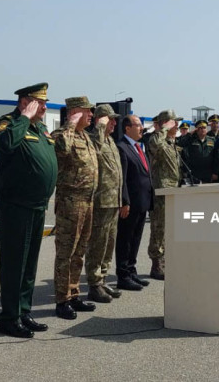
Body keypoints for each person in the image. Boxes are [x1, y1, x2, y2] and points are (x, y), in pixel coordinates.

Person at [0, 83, 58, 338]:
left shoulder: (40, 128)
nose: (44, 106)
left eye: (44, 102)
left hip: (37, 206)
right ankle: (9, 317)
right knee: (14, 264)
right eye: (38, 102)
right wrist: (23, 118)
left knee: (29, 265)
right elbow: (6, 146)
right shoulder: (8, 123)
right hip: (15, 207)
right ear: (24, 102)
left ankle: (23, 311)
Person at [52, 96, 99, 320]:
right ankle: (62, 300)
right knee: (66, 253)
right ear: (74, 112)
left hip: (88, 201)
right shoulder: (62, 134)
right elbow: (61, 150)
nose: (91, 114)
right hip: (70, 202)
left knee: (79, 252)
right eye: (86, 111)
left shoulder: (85, 136)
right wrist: (71, 123)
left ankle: (73, 293)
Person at [85, 104, 124, 303]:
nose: (114, 123)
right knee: (97, 245)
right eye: (110, 119)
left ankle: (103, 279)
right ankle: (93, 284)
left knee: (109, 244)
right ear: (101, 119)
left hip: (113, 201)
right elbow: (95, 151)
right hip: (101, 201)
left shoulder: (110, 141)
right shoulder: (94, 138)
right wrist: (99, 127)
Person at [115, 115, 154, 291]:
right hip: (130, 203)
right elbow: (121, 178)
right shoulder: (122, 147)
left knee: (136, 239)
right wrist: (124, 201)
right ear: (127, 128)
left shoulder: (139, 147)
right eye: (138, 125)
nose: (141, 128)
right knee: (125, 239)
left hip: (142, 201)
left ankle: (131, 271)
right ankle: (123, 275)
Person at [146, 110, 182, 280]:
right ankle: (157, 264)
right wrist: (163, 129)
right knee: (159, 228)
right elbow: (155, 145)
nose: (177, 125)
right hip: (161, 191)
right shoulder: (156, 139)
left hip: (173, 190)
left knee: (169, 228)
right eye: (174, 122)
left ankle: (167, 260)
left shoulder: (171, 142)